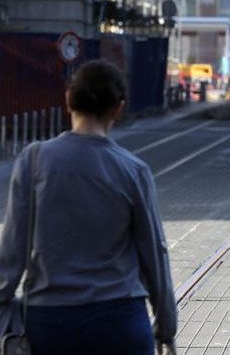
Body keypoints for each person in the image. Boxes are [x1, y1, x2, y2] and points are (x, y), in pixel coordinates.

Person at [0, 60, 177, 355]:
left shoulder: (33, 161)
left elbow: (11, 252)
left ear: (68, 99)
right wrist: (165, 325)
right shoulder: (134, 170)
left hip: (50, 325)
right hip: (121, 324)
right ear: (118, 109)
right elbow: (154, 254)